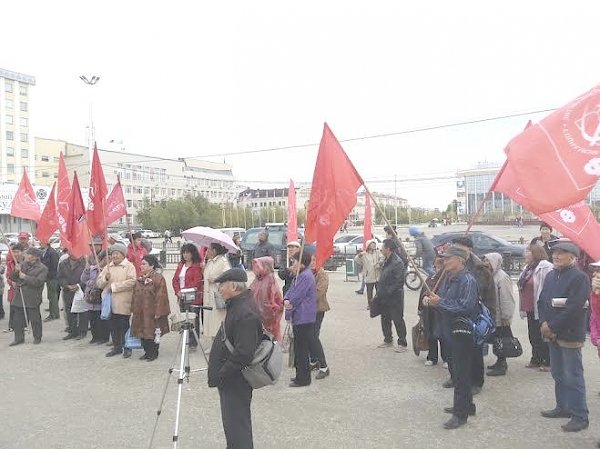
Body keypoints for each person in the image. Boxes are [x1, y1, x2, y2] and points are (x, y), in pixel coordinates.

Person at [423, 246, 479, 430]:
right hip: (448, 330)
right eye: (444, 258)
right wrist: (433, 301)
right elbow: (444, 301)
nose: (445, 261)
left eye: (449, 258)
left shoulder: (468, 280)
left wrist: (441, 303)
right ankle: (467, 405)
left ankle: (460, 414)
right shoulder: (447, 278)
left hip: (462, 333)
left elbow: (466, 307)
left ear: (461, 260)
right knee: (457, 371)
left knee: (461, 374)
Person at [207, 268, 262, 449]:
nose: (220, 289)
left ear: (232, 286)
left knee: (237, 426)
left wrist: (223, 372)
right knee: (233, 425)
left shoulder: (245, 311)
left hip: (235, 379)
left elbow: (244, 353)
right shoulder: (237, 304)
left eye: (222, 285)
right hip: (231, 377)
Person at [538, 241, 590, 432]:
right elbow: (542, 300)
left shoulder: (580, 278)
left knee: (573, 375)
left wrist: (551, 325)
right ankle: (563, 407)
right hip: (551, 332)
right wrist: (543, 322)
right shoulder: (552, 275)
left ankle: (580, 415)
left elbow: (574, 308)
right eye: (555, 253)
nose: (556, 256)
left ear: (572, 257)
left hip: (570, 333)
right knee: (558, 373)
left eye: (561, 253)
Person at [451, 236, 496, 394]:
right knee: (459, 351)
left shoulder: (478, 268)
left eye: (458, 247)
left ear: (468, 249)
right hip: (457, 313)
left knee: (475, 351)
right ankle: (458, 379)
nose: (455, 250)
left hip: (475, 314)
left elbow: (482, 292)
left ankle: (477, 382)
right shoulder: (453, 265)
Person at [97, 243, 137, 358]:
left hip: (123, 302)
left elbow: (132, 282)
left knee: (124, 326)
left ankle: (127, 347)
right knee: (113, 326)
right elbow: (99, 283)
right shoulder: (108, 267)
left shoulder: (129, 266)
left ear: (123, 255)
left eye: (117, 254)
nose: (114, 256)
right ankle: (116, 347)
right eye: (113, 254)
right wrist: (105, 279)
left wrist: (114, 287)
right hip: (109, 304)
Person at [518, 245, 553, 370]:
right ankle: (536, 357)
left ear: (536, 253)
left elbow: (547, 286)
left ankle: (547, 360)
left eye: (528, 252)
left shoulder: (546, 266)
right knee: (533, 335)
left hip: (540, 306)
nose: (525, 254)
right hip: (529, 306)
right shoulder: (527, 268)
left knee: (542, 334)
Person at [284, 251, 317, 387]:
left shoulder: (306, 276)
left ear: (302, 262)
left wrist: (289, 302)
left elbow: (297, 296)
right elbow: (290, 291)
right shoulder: (300, 275)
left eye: (295, 261)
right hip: (300, 316)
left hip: (304, 316)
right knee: (298, 348)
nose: (293, 264)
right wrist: (286, 298)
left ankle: (303, 378)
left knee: (302, 349)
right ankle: (300, 375)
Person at [131, 255, 171, 361]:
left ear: (152, 266)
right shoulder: (140, 278)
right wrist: (133, 308)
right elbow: (135, 294)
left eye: (144, 264)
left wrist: (159, 311)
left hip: (152, 311)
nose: (141, 266)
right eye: (141, 264)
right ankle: (146, 352)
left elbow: (161, 295)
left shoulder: (158, 278)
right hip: (140, 310)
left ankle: (153, 353)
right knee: (142, 332)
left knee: (152, 332)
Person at [482, 252, 516, 377]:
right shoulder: (489, 275)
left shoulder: (502, 277)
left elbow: (507, 298)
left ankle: (502, 364)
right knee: (495, 339)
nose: (485, 263)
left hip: (500, 316)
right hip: (491, 314)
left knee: (502, 340)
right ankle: (499, 362)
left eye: (488, 261)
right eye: (484, 260)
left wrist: (506, 316)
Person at [9, 248, 48, 346]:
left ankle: (37, 337)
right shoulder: (22, 264)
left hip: (32, 297)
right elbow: (13, 277)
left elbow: (38, 282)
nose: (25, 255)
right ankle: (19, 338)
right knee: (17, 319)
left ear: (35, 256)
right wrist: (15, 271)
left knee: (35, 319)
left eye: (28, 254)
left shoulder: (42, 268)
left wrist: (25, 277)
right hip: (19, 296)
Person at [374, 239, 407, 352]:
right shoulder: (386, 260)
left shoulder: (397, 262)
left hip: (394, 297)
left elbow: (398, 281)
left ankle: (402, 343)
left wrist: (387, 292)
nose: (381, 249)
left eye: (382, 247)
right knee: (385, 319)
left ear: (388, 249)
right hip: (384, 296)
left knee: (397, 319)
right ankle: (388, 339)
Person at [418, 255, 448, 366]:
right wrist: (424, 298)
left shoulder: (447, 278)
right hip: (429, 311)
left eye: (439, 265)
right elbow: (424, 290)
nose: (436, 267)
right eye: (435, 265)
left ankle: (447, 358)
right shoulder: (430, 278)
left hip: (441, 311)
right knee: (430, 333)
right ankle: (432, 357)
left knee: (443, 335)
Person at [172, 243, 204, 348]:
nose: (185, 255)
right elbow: (175, 280)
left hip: (193, 297)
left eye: (188, 253)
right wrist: (178, 291)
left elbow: (197, 282)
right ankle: (186, 340)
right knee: (184, 319)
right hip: (181, 296)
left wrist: (185, 291)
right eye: (184, 252)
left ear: (193, 253)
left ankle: (193, 342)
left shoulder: (197, 266)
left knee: (193, 319)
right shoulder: (181, 265)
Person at [249, 256, 283, 341]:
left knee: (268, 339)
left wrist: (268, 314)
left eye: (258, 266)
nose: (255, 269)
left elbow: (269, 301)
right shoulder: (258, 279)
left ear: (265, 267)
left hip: (268, 318)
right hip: (257, 315)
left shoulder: (269, 280)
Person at [81, 250, 110, 344]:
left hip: (101, 297)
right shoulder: (93, 268)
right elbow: (83, 279)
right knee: (92, 318)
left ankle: (104, 337)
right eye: (106, 258)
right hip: (91, 296)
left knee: (101, 319)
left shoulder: (108, 270)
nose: (107, 260)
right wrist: (86, 268)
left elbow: (102, 283)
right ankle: (95, 336)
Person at [203, 243, 232, 338]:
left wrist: (216, 280)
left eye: (209, 249)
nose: (207, 252)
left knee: (218, 320)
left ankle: (220, 343)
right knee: (210, 320)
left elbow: (229, 277)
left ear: (214, 251)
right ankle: (212, 342)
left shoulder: (222, 261)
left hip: (218, 295)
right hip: (208, 295)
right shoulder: (210, 262)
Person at [309, 254, 330, 379]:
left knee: (313, 336)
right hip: (308, 309)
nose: (312, 263)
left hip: (318, 309)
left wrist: (304, 298)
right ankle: (314, 361)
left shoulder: (322, 274)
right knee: (309, 336)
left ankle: (324, 366)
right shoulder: (307, 272)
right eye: (310, 260)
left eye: (314, 260)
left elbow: (319, 291)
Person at [57, 251, 87, 340]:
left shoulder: (84, 262)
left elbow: (87, 276)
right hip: (68, 290)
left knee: (82, 312)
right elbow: (60, 277)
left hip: (81, 290)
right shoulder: (63, 263)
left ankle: (82, 331)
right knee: (69, 311)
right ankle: (72, 331)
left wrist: (79, 285)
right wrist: (66, 285)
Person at [354, 240, 382, 309]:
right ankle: (370, 305)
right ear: (368, 246)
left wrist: (379, 263)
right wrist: (359, 255)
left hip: (378, 275)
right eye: (372, 244)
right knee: (369, 292)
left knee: (379, 292)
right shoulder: (364, 254)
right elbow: (356, 260)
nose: (374, 246)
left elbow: (382, 258)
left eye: (374, 244)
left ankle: (378, 304)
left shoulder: (377, 252)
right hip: (369, 276)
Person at [4, 244, 24, 333]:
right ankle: (11, 326)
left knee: (23, 307)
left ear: (22, 252)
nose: (16, 254)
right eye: (14, 252)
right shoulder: (10, 263)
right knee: (13, 307)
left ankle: (24, 325)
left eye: (18, 252)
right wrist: (11, 282)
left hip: (24, 288)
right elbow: (8, 276)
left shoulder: (26, 262)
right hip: (13, 289)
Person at [40, 242, 60, 322]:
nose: (40, 243)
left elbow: (54, 266)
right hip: (48, 277)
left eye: (42, 242)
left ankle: (54, 314)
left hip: (52, 277)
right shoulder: (44, 252)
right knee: (50, 296)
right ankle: (53, 312)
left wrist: (48, 275)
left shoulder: (52, 252)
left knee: (52, 296)